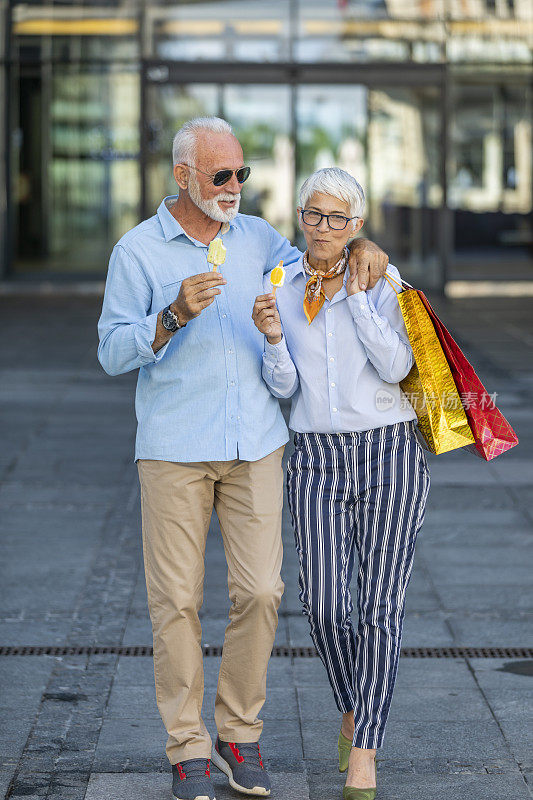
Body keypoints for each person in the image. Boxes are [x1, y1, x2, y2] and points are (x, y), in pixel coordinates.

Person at [97, 118, 389, 800]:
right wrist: (167, 317)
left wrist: (362, 240)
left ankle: (239, 733)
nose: (233, 187)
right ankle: (188, 746)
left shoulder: (260, 239)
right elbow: (111, 351)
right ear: (182, 177)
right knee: (175, 601)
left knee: (260, 592)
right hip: (173, 448)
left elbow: (324, 254)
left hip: (256, 442)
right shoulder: (137, 251)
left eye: (241, 175)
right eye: (219, 176)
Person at [252, 167, 431, 800]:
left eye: (338, 219)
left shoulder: (384, 282)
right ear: (299, 217)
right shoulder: (282, 283)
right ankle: (355, 707)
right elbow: (284, 388)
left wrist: (358, 294)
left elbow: (398, 364)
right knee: (325, 604)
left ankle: (364, 751)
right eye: (313, 215)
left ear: (356, 226)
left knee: (380, 609)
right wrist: (274, 337)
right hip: (315, 455)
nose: (323, 228)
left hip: (389, 452)